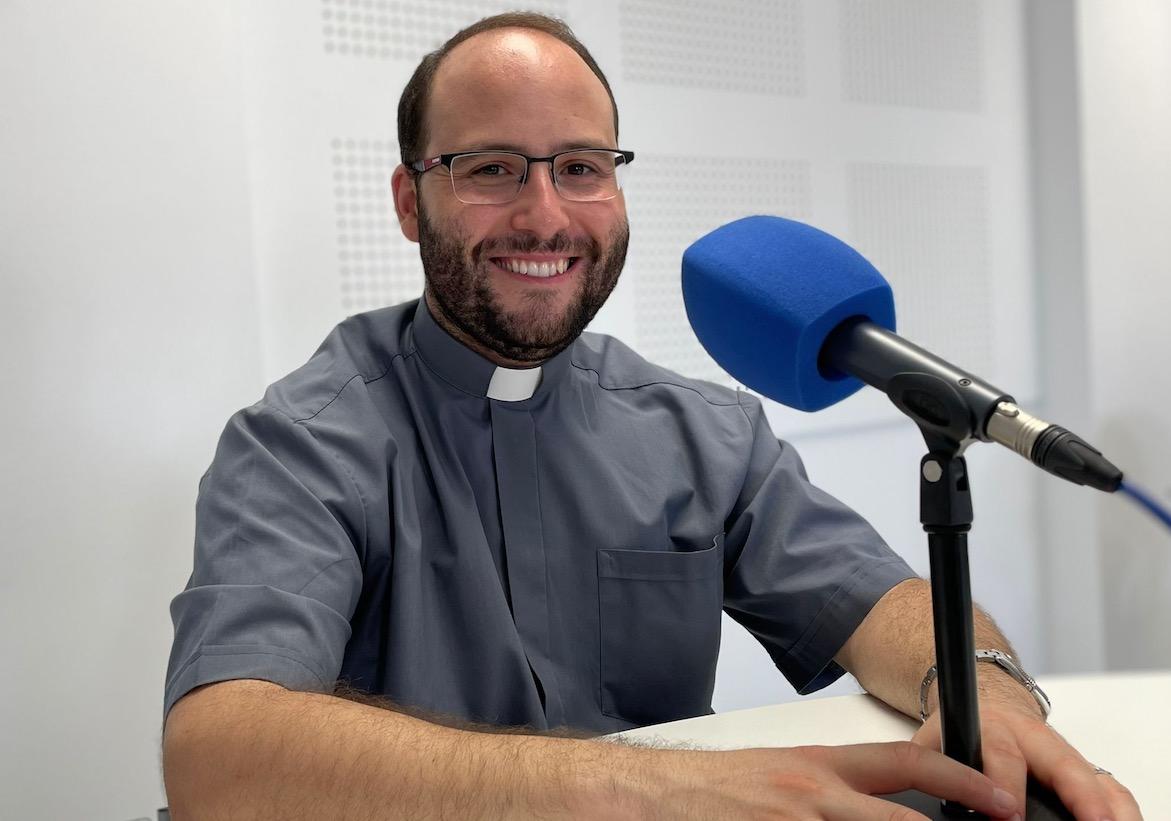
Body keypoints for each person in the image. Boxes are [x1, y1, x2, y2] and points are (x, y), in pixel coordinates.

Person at [161, 12, 1140, 820]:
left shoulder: (700, 432)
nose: (545, 213)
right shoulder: (300, 441)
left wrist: (987, 685)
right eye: (493, 167)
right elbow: (221, 749)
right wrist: (635, 781)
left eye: (581, 166)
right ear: (411, 202)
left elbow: (879, 602)